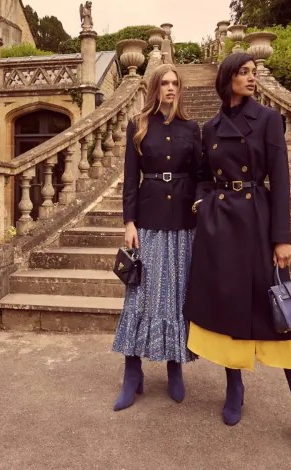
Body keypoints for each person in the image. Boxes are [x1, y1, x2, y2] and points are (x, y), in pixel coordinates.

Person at [183, 53, 291, 467]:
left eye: (253, 72)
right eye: (244, 73)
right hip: (220, 228)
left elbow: (280, 178)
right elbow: (199, 172)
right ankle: (234, 387)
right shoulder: (209, 127)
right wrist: (201, 202)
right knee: (229, 309)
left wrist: (282, 238)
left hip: (257, 220)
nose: (252, 78)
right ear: (227, 78)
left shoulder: (267, 119)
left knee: (283, 321)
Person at [112, 63, 201, 411]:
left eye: (174, 83)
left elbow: (199, 175)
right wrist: (128, 222)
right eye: (164, 83)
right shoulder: (139, 125)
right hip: (146, 220)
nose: (169, 88)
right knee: (140, 295)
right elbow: (129, 178)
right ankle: (132, 374)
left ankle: (174, 367)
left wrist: (199, 205)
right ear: (154, 88)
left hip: (181, 222)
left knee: (177, 294)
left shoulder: (192, 128)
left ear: (180, 88)